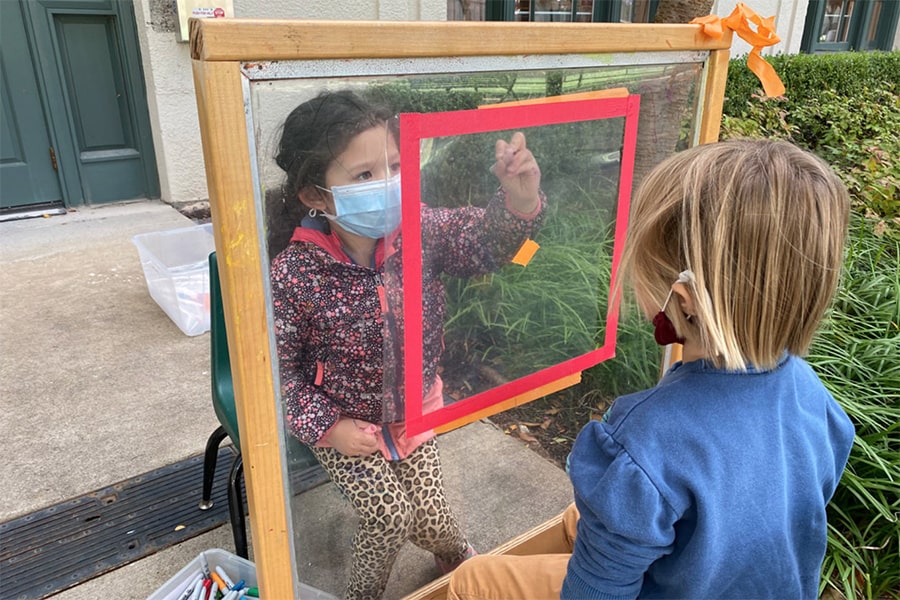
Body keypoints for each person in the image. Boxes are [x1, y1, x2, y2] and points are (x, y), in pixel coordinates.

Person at [447, 139, 855, 599]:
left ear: (681, 300)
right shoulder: (812, 396)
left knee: (471, 578)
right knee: (580, 520)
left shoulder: (645, 440)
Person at [269, 89, 545, 600]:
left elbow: (484, 239)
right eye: (364, 175)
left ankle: (452, 550)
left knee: (433, 520)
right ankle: (363, 593)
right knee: (390, 516)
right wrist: (328, 427)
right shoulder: (295, 274)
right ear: (315, 196)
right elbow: (276, 373)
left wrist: (520, 197)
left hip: (415, 411)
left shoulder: (419, 230)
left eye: (394, 165)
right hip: (346, 426)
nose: (388, 184)